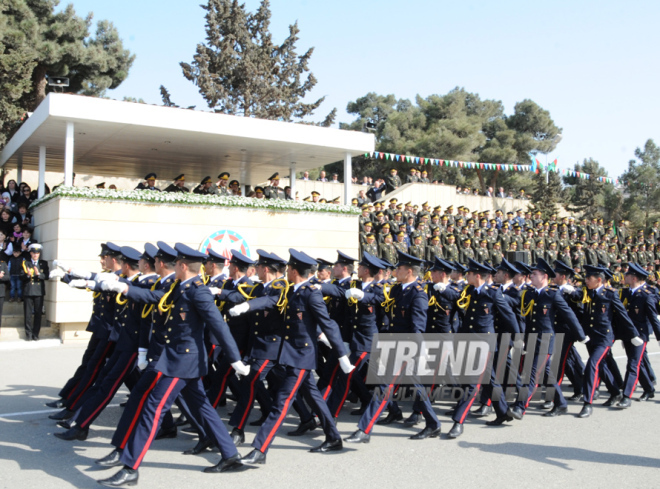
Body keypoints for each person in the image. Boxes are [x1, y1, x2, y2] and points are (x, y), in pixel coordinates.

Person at [95, 244, 250, 486]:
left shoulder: (198, 291)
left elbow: (218, 325)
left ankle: (130, 467)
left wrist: (234, 359)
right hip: (179, 359)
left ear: (183, 265)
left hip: (181, 362)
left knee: (153, 409)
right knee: (203, 408)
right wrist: (125, 288)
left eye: (176, 263)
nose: (172, 266)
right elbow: (156, 297)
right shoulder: (182, 286)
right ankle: (231, 455)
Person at [231, 249, 354, 464]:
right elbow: (270, 301)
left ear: (294, 270)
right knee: (314, 397)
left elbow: (328, 324)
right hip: (290, 354)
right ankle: (334, 438)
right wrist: (247, 306)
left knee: (281, 402)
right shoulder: (291, 291)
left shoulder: (310, 293)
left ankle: (260, 450)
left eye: (288, 268)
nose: (285, 271)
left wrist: (342, 355)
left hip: (301, 356)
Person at [345, 250, 441, 443]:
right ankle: (433, 424)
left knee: (384, 387)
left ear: (409, 272)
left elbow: (417, 327)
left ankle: (364, 430)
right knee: (414, 387)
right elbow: (380, 302)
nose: (395, 271)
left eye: (399, 268)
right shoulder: (398, 289)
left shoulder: (418, 294)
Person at [20, 243, 49, 341]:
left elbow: (47, 276)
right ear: (31, 253)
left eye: (37, 253)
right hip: (28, 291)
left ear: (39, 254)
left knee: (38, 314)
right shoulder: (26, 263)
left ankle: (36, 334)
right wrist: (28, 275)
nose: (35, 255)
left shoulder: (43, 263)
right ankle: (28, 334)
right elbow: (21, 276)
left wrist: (39, 274)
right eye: (33, 253)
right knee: (27, 314)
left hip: (39, 291)